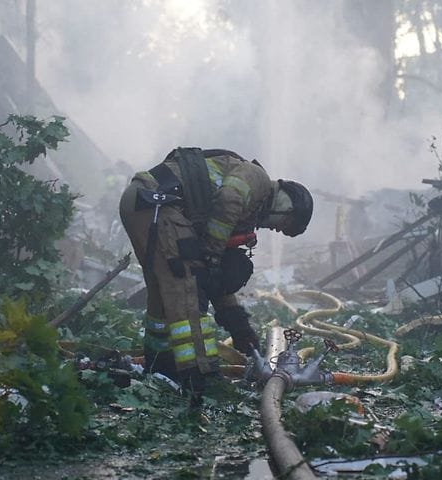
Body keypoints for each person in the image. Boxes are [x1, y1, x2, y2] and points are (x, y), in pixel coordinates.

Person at [119, 147, 313, 397]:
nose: (274, 229)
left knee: (163, 290)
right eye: (283, 225)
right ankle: (201, 377)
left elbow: (215, 280)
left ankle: (161, 368)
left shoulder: (238, 213)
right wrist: (212, 253)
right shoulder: (258, 180)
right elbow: (229, 198)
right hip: (158, 203)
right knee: (187, 288)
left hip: (143, 201)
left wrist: (239, 327)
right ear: (288, 205)